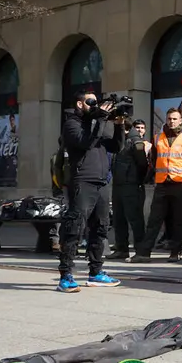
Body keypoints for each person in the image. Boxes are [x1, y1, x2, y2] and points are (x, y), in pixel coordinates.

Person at [56, 91, 126, 292]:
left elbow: (117, 147)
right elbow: (86, 142)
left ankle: (95, 272)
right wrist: (101, 119)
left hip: (102, 181)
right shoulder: (72, 124)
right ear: (80, 103)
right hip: (83, 180)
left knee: (101, 228)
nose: (95, 104)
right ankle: (66, 275)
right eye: (91, 101)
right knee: (75, 227)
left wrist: (119, 124)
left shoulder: (99, 124)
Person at [129, 108, 182, 263]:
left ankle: (176, 251)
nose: (171, 121)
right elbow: (154, 160)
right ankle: (144, 252)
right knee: (154, 220)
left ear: (180, 121)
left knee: (179, 220)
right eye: (169, 118)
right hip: (162, 183)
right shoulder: (158, 138)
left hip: (179, 184)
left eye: (175, 119)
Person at [105, 120, 149, 260]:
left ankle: (140, 250)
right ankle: (121, 248)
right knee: (119, 219)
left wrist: (137, 180)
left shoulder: (135, 142)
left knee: (135, 219)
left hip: (132, 185)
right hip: (118, 184)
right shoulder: (119, 141)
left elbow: (143, 165)